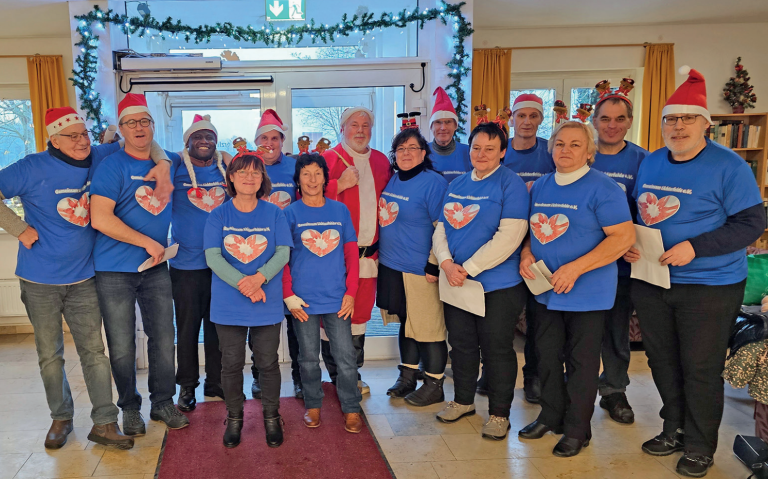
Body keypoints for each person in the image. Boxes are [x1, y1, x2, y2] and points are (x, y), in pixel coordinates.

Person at [0, 106, 168, 449]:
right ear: (53, 140)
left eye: (84, 134)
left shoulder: (99, 156)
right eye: (72, 136)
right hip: (39, 279)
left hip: (85, 278)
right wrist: (18, 228)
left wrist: (163, 163)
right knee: (51, 355)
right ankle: (61, 417)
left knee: (94, 352)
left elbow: (142, 140)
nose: (81, 142)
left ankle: (105, 423)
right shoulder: (30, 167)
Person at [625, 67, 765, 477]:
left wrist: (695, 247)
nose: (678, 126)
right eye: (671, 119)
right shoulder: (651, 162)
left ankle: (701, 446)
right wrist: (630, 242)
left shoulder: (730, 166)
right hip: (653, 280)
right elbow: (637, 212)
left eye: (687, 118)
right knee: (662, 361)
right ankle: (674, 428)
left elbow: (751, 223)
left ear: (706, 123)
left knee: (700, 368)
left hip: (710, 285)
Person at [518, 120, 635, 457]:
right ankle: (550, 415)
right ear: (551, 149)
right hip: (545, 290)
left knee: (581, 364)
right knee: (546, 356)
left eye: (574, 145)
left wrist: (575, 268)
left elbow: (623, 237)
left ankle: (577, 429)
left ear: (589, 152)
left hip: (587, 294)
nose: (565, 150)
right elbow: (533, 231)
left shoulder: (604, 188)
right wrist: (526, 253)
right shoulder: (541, 186)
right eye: (559, 144)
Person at [90, 93, 189, 436]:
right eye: (131, 123)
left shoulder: (168, 161)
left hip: (156, 266)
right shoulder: (111, 165)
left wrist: (226, 155)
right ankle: (130, 409)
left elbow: (204, 156)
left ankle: (162, 403)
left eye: (144, 121)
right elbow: (100, 218)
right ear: (121, 129)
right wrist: (146, 240)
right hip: (114, 269)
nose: (139, 128)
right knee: (122, 345)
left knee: (163, 337)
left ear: (153, 126)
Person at [431, 122, 530, 440]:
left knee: (496, 349)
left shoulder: (511, 184)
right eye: (476, 147)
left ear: (502, 152)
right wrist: (447, 263)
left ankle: (500, 414)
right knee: (460, 345)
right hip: (457, 282)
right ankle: (463, 401)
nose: (481, 154)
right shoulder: (458, 183)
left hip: (497, 286)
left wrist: (468, 268)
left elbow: (510, 236)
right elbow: (442, 228)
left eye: (490, 148)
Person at [204, 148, 292, 448]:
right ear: (230, 177)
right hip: (228, 302)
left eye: (255, 172)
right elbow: (213, 257)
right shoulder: (218, 215)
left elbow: (283, 252)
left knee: (267, 362)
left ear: (262, 178)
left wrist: (258, 279)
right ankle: (234, 418)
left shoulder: (275, 213)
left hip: (265, 299)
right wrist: (245, 284)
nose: (249, 177)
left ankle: (271, 417)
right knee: (230, 364)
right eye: (242, 171)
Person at [283, 153, 363, 433]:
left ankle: (351, 407)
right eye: (306, 173)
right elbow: (283, 259)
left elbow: (351, 255)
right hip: (303, 301)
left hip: (337, 298)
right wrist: (289, 295)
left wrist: (351, 292)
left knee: (345, 357)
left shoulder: (340, 211)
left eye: (318, 173)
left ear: (326, 178)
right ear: (298, 180)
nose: (312, 179)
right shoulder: (290, 214)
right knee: (307, 358)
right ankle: (313, 404)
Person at [590, 81, 649, 425]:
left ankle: (614, 390)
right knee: (577, 330)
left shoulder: (644, 160)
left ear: (629, 121)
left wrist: (637, 242)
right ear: (594, 121)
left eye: (619, 119)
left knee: (615, 330)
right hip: (580, 261)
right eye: (605, 118)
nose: (612, 125)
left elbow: (648, 210)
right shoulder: (580, 153)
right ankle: (574, 384)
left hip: (622, 264)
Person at [321, 106, 391, 395]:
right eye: (354, 124)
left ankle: (354, 375)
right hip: (335, 258)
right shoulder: (328, 158)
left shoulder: (381, 161)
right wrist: (339, 185)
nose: (360, 130)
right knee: (333, 315)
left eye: (365, 125)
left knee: (360, 315)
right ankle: (337, 377)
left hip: (369, 256)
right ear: (342, 128)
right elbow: (307, 196)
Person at [378, 128, 449, 406]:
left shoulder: (434, 183)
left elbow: (443, 228)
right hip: (391, 265)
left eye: (412, 148)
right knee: (407, 323)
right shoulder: (394, 179)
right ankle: (407, 376)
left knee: (429, 328)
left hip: (420, 268)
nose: (406, 153)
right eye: (401, 148)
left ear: (423, 153)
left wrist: (434, 263)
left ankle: (434, 384)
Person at [501, 93, 556, 404]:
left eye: (533, 116)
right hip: (504, 246)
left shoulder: (550, 152)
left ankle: (534, 376)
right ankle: (493, 372)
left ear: (541, 119)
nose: (527, 122)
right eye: (521, 115)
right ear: (512, 119)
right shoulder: (500, 151)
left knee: (538, 316)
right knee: (501, 316)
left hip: (539, 244)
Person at [170, 114, 228, 412]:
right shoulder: (174, 166)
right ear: (188, 142)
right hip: (185, 266)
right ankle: (187, 386)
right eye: (197, 136)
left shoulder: (226, 168)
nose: (204, 141)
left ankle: (216, 382)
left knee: (218, 327)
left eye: (209, 136)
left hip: (222, 265)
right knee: (188, 329)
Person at [250, 109, 303, 400]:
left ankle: (300, 377)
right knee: (259, 319)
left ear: (283, 141)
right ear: (256, 142)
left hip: (292, 253)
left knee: (296, 319)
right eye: (264, 138)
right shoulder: (248, 166)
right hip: (257, 255)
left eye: (274, 138)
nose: (269, 144)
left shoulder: (295, 166)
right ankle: (259, 376)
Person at [428, 87, 471, 183]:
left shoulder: (469, 152)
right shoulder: (421, 153)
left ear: (455, 125)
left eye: (448, 122)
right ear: (431, 126)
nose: (443, 127)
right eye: (438, 122)